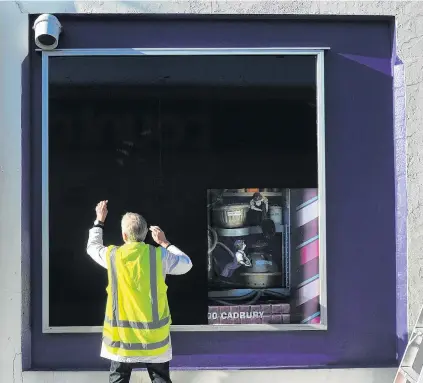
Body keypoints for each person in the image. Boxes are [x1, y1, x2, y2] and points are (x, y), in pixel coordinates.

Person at [86, 200, 192, 383]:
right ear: (145, 235)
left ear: (124, 235)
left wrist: (99, 221)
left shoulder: (113, 256)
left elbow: (92, 247)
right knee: (160, 379)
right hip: (155, 341)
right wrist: (165, 243)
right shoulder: (159, 256)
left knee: (118, 378)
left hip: (122, 341)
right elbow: (186, 264)